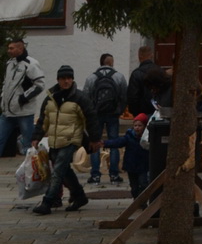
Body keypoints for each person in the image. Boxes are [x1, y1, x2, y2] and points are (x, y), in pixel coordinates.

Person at [30, 66, 97, 215]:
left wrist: (94, 139)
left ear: (72, 79)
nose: (66, 81)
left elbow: (91, 118)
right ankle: (79, 196)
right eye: (63, 78)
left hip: (71, 139)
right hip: (55, 140)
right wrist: (36, 137)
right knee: (64, 170)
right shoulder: (50, 98)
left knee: (58, 170)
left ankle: (47, 202)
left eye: (69, 78)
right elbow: (43, 120)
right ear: (58, 80)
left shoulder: (80, 98)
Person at [83, 54, 127, 187]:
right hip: (113, 114)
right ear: (111, 62)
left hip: (96, 115)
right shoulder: (119, 76)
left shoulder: (91, 77)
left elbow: (85, 97)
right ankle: (114, 175)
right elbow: (124, 96)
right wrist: (119, 111)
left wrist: (90, 114)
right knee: (114, 143)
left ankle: (95, 176)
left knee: (95, 142)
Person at [1, 37, 45, 158]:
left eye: (11, 48)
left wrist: (23, 98)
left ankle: (30, 167)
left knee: (28, 146)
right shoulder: (10, 63)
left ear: (20, 48)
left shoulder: (31, 64)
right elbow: (6, 83)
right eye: (8, 48)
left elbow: (40, 85)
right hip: (7, 112)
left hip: (24, 112)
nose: (8, 50)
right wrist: (3, 97)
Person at [126, 45, 162, 117]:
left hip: (140, 114)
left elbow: (133, 96)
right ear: (152, 55)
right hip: (157, 111)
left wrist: (134, 112)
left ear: (139, 56)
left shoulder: (136, 74)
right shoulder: (160, 71)